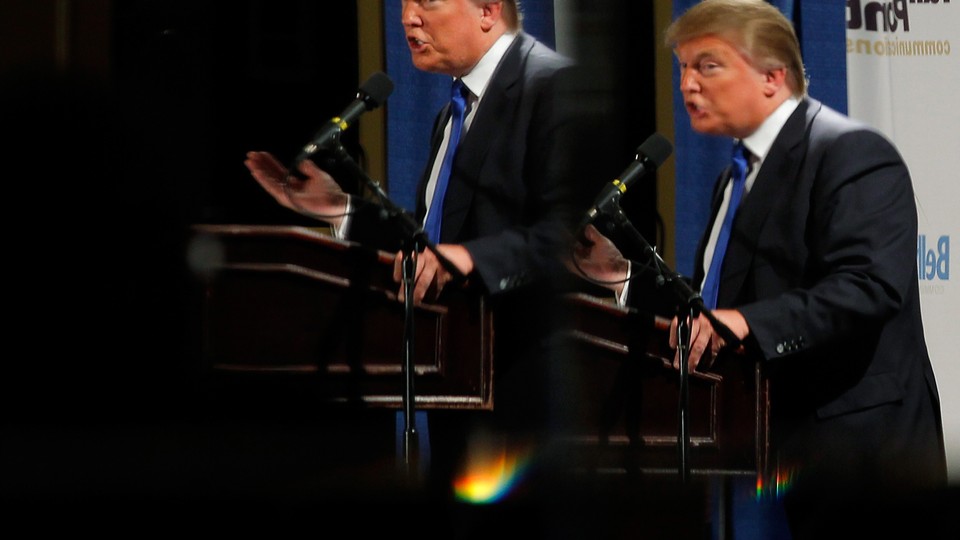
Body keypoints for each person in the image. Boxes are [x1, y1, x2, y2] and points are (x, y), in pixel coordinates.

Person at [570, 0, 947, 537]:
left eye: (708, 66)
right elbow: (715, 305)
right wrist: (620, 275)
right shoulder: (738, 178)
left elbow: (869, 286)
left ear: (773, 77)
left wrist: (751, 324)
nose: (687, 85)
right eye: (682, 68)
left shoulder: (851, 156)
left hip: (861, 461)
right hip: (765, 449)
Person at [244, 0, 585, 513]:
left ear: (488, 10)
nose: (407, 18)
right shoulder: (455, 110)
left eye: (425, 1)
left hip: (528, 394)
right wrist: (340, 210)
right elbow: (429, 248)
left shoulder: (550, 88)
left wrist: (470, 260)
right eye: (403, 4)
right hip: (460, 384)